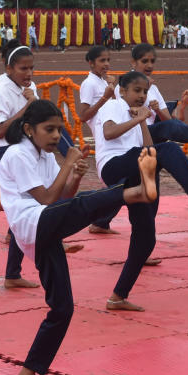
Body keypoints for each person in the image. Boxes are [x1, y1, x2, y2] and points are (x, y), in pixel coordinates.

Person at [0, 100, 158, 375]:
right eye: (49, 130)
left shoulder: (45, 156)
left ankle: (28, 374)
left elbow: (61, 198)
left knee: (63, 308)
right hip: (31, 224)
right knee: (85, 204)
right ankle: (134, 193)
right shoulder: (17, 154)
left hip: (45, 227)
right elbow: (46, 200)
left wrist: (75, 175)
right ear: (28, 129)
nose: (57, 136)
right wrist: (68, 164)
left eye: (59, 130)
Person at [96, 71, 188, 311]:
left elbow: (150, 150)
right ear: (123, 91)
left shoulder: (140, 114)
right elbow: (109, 132)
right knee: (170, 149)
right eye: (136, 91)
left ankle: (118, 297)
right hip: (114, 166)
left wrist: (142, 121)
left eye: (144, 92)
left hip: (136, 169)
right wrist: (136, 118)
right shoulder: (114, 104)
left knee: (146, 238)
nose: (141, 96)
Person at [0, 41, 70, 288]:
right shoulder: (0, 89)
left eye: (32, 68)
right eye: (23, 69)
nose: (29, 74)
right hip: (5, 151)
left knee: (31, 205)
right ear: (9, 68)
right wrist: (27, 107)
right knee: (33, 203)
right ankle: (18, 266)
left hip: (28, 148)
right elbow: (0, 131)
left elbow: (41, 119)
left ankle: (14, 271)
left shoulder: (29, 86)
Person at [75, 45, 121, 234]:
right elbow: (83, 115)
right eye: (102, 60)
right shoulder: (89, 84)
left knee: (118, 183)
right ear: (91, 63)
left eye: (108, 60)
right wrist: (104, 97)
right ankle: (88, 211)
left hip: (113, 130)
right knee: (119, 183)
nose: (106, 64)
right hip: (104, 134)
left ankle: (101, 222)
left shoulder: (103, 82)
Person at [118, 44, 188, 145]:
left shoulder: (154, 89)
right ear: (134, 62)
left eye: (152, 61)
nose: (150, 65)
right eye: (144, 61)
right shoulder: (124, 85)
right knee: (168, 129)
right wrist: (147, 88)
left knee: (171, 146)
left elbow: (167, 120)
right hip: (133, 134)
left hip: (150, 134)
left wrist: (157, 110)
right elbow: (127, 112)